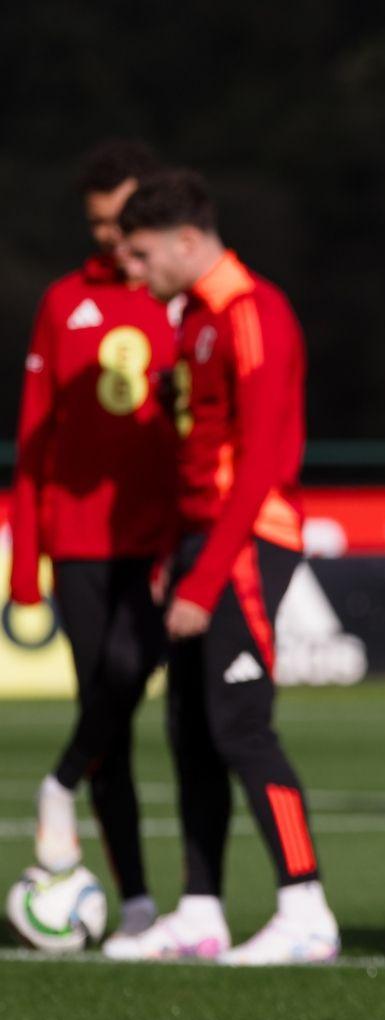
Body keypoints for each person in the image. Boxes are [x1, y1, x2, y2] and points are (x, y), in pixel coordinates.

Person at [103, 169, 341, 965]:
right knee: (190, 731)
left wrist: (207, 578)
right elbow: (197, 458)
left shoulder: (252, 313)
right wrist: (181, 556)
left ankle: (305, 906)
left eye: (140, 254)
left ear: (184, 239)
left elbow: (265, 459)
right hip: (205, 543)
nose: (134, 271)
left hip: (250, 543)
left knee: (242, 724)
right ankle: (201, 910)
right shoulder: (194, 320)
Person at [11, 140, 178, 945]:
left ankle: (58, 784)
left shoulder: (181, 297)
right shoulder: (62, 301)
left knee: (139, 685)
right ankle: (139, 900)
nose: (112, 238)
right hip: (80, 544)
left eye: (123, 220)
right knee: (106, 713)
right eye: (99, 223)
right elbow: (35, 435)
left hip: (162, 541)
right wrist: (27, 565)